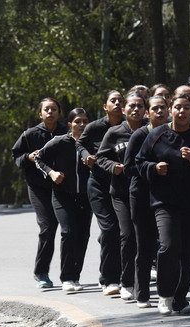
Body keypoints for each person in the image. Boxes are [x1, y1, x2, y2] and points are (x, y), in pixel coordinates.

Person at [136, 93, 190, 315]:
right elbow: (139, 162)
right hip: (165, 202)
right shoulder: (157, 135)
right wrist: (153, 169)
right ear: (170, 110)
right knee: (168, 245)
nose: (182, 112)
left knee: (186, 252)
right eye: (177, 107)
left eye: (186, 108)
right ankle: (164, 295)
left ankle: (180, 298)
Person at [12, 98, 67, 288]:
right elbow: (17, 156)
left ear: (59, 113)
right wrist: (28, 156)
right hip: (38, 188)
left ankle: (70, 276)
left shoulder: (66, 132)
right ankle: (41, 273)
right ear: (40, 114)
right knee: (48, 226)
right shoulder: (30, 134)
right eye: (46, 109)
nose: (50, 112)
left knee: (71, 230)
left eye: (54, 109)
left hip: (63, 186)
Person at [96, 92, 147, 301]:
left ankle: (143, 281)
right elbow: (101, 157)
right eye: (131, 106)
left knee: (145, 239)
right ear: (124, 110)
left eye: (139, 106)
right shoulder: (114, 133)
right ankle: (126, 282)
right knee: (127, 236)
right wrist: (113, 167)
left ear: (145, 110)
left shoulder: (149, 132)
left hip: (146, 192)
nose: (135, 109)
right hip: (121, 194)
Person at [35, 108, 92, 292]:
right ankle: (67, 277)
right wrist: (51, 173)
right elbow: (39, 158)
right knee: (68, 232)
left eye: (84, 121)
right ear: (70, 124)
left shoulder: (91, 143)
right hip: (62, 195)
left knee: (83, 235)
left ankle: (75, 276)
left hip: (85, 196)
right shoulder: (59, 142)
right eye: (77, 121)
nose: (81, 125)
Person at [77, 90, 125, 295]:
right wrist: (86, 156)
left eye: (120, 101)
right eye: (112, 101)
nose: (117, 103)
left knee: (124, 232)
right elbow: (79, 144)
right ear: (105, 106)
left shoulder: (130, 126)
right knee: (110, 229)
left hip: (123, 185)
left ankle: (126, 274)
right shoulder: (94, 127)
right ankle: (109, 279)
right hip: (98, 185)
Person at [124, 95, 169, 308]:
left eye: (163, 108)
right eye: (155, 109)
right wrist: (152, 168)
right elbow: (129, 168)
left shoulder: (172, 134)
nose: (159, 112)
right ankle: (142, 293)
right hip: (140, 195)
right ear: (147, 113)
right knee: (144, 246)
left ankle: (165, 292)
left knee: (165, 245)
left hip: (166, 197)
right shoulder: (139, 135)